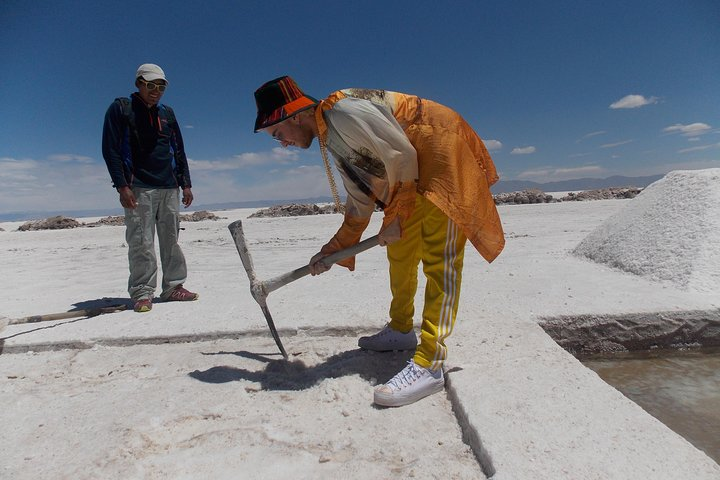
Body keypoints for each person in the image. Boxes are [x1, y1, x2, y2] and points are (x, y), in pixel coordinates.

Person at [253, 76, 505, 407]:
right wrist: (333, 251)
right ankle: (401, 330)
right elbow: (360, 198)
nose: (282, 143)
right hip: (412, 172)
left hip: (440, 154)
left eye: (278, 134)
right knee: (399, 253)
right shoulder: (332, 136)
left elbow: (399, 153)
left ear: (294, 116)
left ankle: (430, 362)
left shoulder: (341, 111)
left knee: (438, 259)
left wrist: (397, 217)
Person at [102, 63, 198, 313]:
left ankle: (174, 287)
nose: (156, 91)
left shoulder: (167, 113)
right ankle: (143, 292)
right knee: (141, 242)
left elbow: (179, 149)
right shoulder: (121, 109)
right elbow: (110, 149)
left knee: (171, 240)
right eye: (151, 85)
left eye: (161, 86)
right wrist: (122, 186)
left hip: (168, 186)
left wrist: (185, 183)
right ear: (139, 84)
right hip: (139, 187)